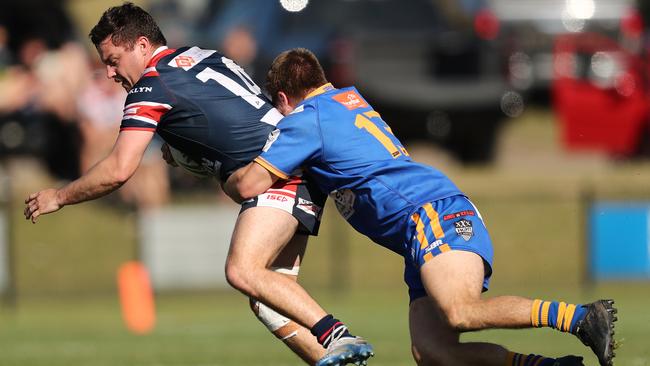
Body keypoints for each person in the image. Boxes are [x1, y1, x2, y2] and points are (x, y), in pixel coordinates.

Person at [23, 3, 373, 366]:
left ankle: (336, 334)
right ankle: (340, 359)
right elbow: (227, 117)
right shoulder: (198, 54)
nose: (110, 72)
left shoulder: (151, 85)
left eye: (113, 60)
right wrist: (191, 151)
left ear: (142, 46)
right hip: (292, 160)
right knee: (270, 303)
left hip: (275, 170)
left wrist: (59, 196)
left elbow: (119, 169)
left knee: (242, 270)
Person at [223, 48, 618, 366]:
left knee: (461, 311)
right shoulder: (348, 99)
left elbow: (250, 184)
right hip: (423, 226)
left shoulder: (308, 118)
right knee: (433, 353)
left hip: (432, 214)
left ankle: (581, 318)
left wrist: (220, 171)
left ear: (281, 99)